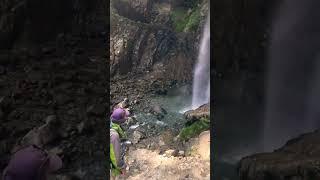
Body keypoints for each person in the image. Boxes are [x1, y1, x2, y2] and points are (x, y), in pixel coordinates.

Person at [110, 107, 130, 177]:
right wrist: (121, 165)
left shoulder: (112, 119)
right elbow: (115, 157)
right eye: (125, 117)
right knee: (120, 167)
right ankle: (124, 177)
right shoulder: (114, 136)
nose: (127, 118)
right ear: (120, 121)